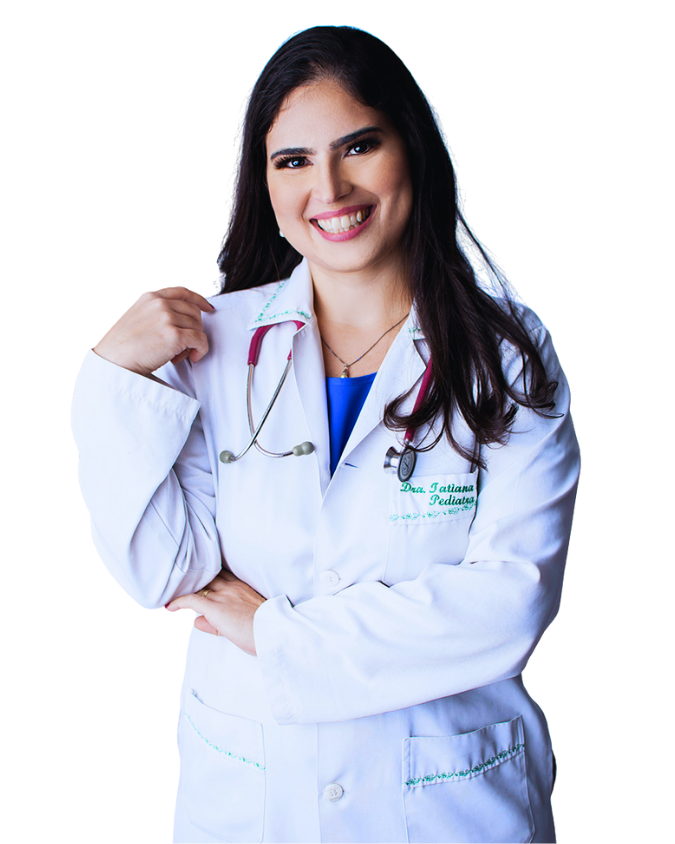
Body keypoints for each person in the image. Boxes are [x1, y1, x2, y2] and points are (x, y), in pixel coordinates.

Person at [70, 24, 581, 844]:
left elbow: (509, 605)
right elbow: (161, 572)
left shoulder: (507, 358)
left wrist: (273, 635)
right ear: (264, 184)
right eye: (293, 161)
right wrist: (110, 378)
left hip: (443, 804)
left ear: (412, 150)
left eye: (359, 146)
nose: (330, 188)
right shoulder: (213, 347)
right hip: (253, 795)